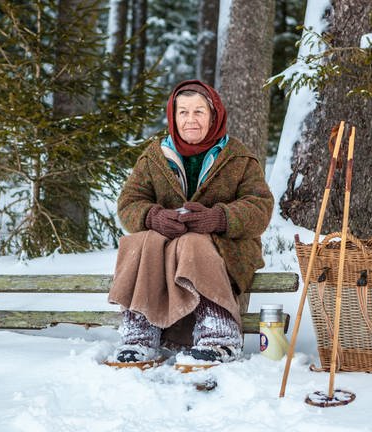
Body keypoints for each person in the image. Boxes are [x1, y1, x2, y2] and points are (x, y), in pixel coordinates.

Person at [108, 79, 273, 365]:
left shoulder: (239, 157)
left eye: (199, 112)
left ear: (214, 115)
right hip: (163, 253)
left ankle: (219, 335)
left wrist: (218, 218)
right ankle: (139, 334)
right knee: (138, 240)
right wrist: (153, 216)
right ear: (173, 117)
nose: (190, 120)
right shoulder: (155, 156)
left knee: (193, 242)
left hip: (225, 249)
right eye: (182, 112)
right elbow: (129, 203)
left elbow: (260, 207)